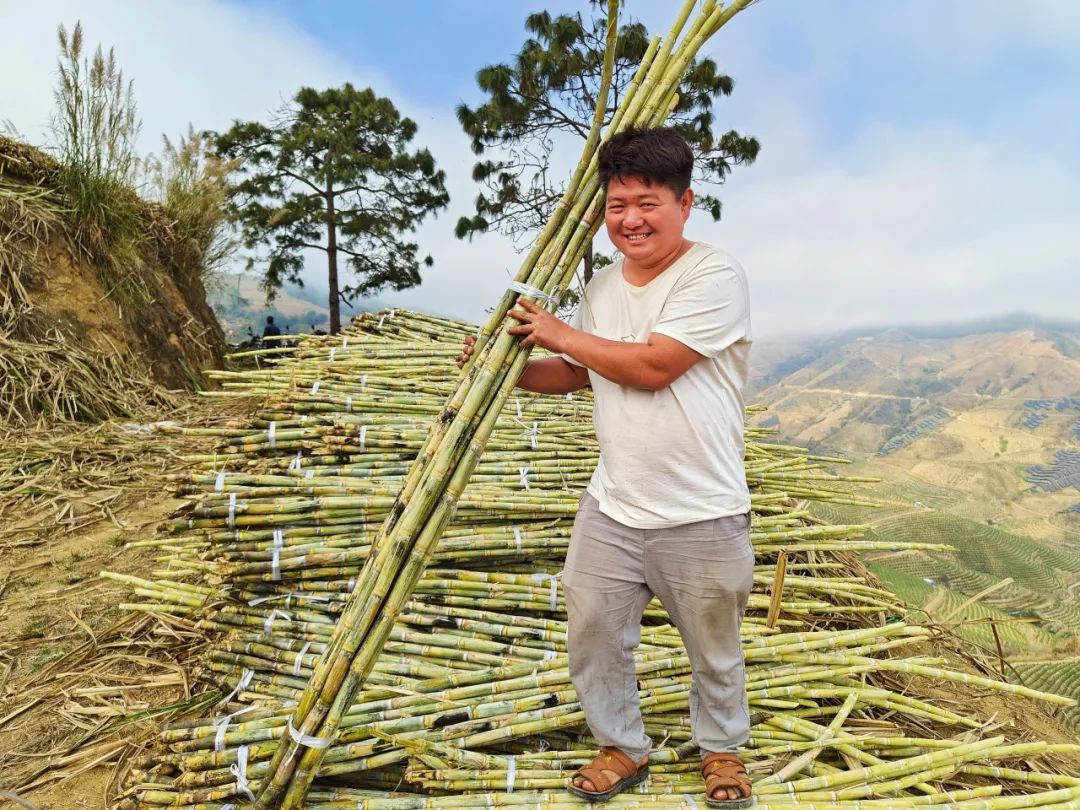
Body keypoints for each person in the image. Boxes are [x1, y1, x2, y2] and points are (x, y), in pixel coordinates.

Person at [458, 127, 754, 806]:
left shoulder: (713, 275)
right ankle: (622, 744)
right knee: (593, 633)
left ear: (685, 202)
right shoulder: (599, 287)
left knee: (714, 648)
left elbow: (652, 367)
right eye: (617, 204)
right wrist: (504, 369)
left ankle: (721, 751)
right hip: (615, 504)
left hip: (702, 510)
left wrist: (558, 330)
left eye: (647, 202)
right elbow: (582, 371)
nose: (631, 219)